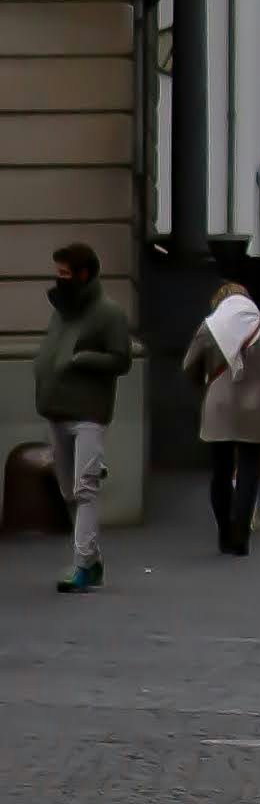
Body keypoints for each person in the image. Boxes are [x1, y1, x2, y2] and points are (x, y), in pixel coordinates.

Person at [33, 239, 133, 592]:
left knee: (85, 487)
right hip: (57, 410)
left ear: (83, 274)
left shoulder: (109, 314)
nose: (58, 279)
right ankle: (90, 560)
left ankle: (80, 564)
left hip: (89, 412)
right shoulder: (60, 312)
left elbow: (122, 359)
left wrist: (82, 360)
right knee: (68, 490)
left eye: (64, 273)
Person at [183, 266, 260, 554]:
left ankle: (224, 531)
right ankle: (241, 535)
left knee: (220, 472)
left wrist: (204, 386)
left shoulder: (209, 328)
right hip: (257, 408)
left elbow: (189, 366)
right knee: (248, 470)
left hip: (218, 407)